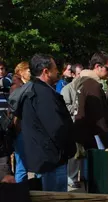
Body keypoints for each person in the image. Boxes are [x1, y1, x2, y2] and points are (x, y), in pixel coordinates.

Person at [9, 53, 76, 192]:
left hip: (46, 158)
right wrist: (69, 148)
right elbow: (56, 128)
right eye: (55, 68)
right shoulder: (43, 94)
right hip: (52, 160)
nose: (58, 71)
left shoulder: (35, 90)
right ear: (46, 71)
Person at [10, 62, 31, 183]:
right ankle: (19, 194)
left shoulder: (24, 85)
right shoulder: (17, 87)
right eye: (28, 70)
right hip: (21, 130)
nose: (30, 72)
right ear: (21, 71)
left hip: (24, 130)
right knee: (22, 166)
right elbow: (15, 109)